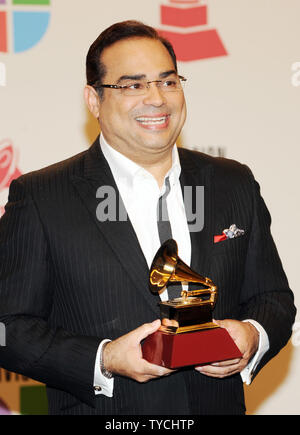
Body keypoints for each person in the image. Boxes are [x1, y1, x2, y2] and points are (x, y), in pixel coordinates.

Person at [0, 20, 296, 415]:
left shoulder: (233, 182)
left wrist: (251, 336)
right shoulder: (41, 197)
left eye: (168, 81)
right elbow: (9, 327)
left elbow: (273, 299)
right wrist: (103, 359)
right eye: (133, 85)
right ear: (94, 100)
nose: (156, 98)